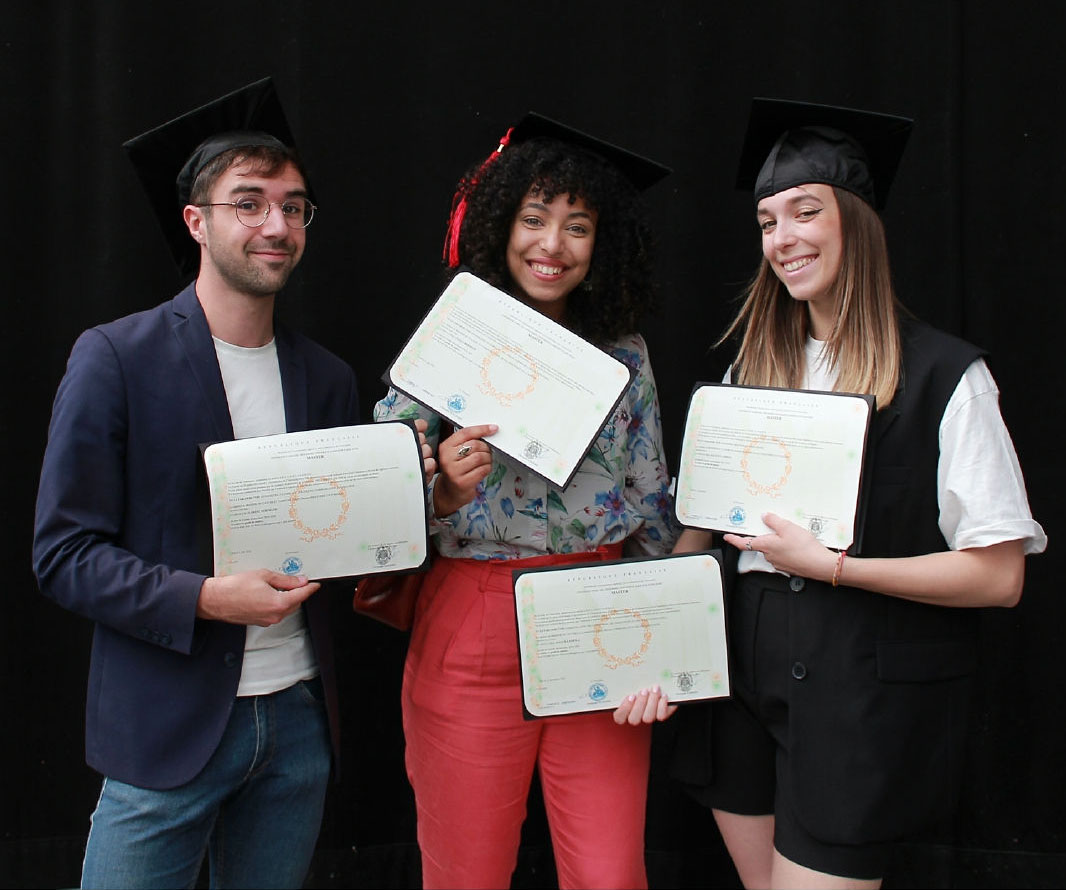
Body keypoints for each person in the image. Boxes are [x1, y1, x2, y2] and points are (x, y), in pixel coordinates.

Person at [31, 78, 432, 889]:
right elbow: (63, 553)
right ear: (197, 221)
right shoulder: (116, 359)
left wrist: (414, 497)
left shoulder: (324, 378)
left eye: (293, 206)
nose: (277, 225)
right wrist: (209, 599)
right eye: (248, 203)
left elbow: (341, 538)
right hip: (167, 731)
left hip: (296, 725)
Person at [670, 98, 1048, 889]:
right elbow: (699, 533)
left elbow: (999, 576)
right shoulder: (751, 374)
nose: (783, 239)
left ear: (857, 223)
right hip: (738, 686)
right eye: (768, 221)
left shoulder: (949, 378)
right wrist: (656, 640)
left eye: (806, 212)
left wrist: (837, 565)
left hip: (858, 697)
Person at [373, 112, 682, 889]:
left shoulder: (625, 354)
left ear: (600, 243)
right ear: (500, 225)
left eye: (577, 226)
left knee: (611, 877)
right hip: (474, 622)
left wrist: (664, 652)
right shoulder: (454, 335)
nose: (552, 245)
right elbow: (373, 491)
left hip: (601, 614)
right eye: (535, 219)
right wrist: (441, 486)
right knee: (467, 874)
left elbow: (652, 505)